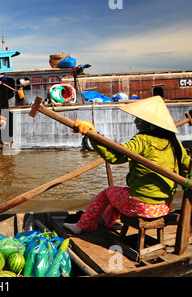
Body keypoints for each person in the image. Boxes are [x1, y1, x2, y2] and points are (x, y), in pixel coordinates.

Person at [64, 96, 191, 235]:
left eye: (139, 119)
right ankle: (105, 222)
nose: (136, 121)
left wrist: (92, 134)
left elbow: (115, 156)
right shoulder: (174, 142)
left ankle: (82, 226)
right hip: (164, 206)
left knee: (107, 193)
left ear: (148, 123)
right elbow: (187, 166)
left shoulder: (142, 140)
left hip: (141, 206)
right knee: (120, 196)